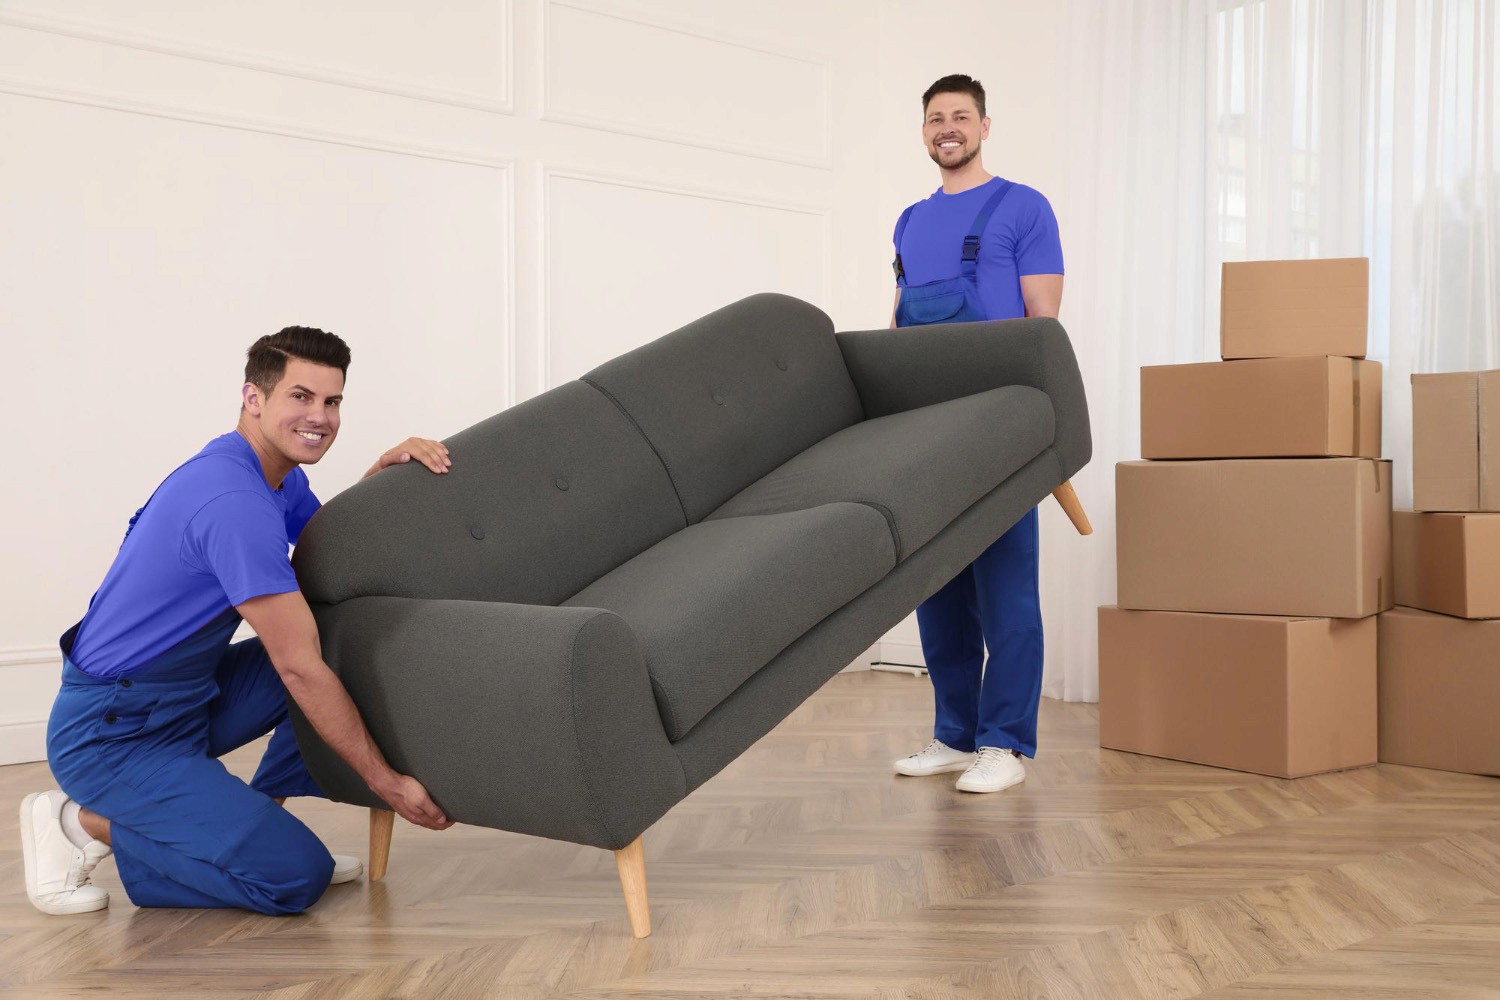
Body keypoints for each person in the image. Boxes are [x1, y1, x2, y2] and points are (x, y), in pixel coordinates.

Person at [21, 326, 456, 917]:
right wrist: (386, 782)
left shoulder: (272, 476)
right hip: (114, 735)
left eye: (332, 402)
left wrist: (381, 476)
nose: (320, 417)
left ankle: (257, 827)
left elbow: (330, 556)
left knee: (341, 641)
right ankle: (79, 822)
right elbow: (297, 669)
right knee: (296, 878)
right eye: (300, 397)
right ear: (254, 398)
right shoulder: (235, 501)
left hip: (183, 696)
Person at [888, 74, 1065, 793]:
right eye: (935, 119)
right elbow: (899, 323)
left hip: (1000, 420)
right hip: (928, 424)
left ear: (985, 126)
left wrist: (1034, 423)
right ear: (924, 131)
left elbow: (1042, 325)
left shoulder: (1025, 208)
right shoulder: (907, 219)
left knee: (1005, 586)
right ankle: (955, 737)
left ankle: (1006, 745)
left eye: (960, 116)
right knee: (938, 584)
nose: (947, 128)